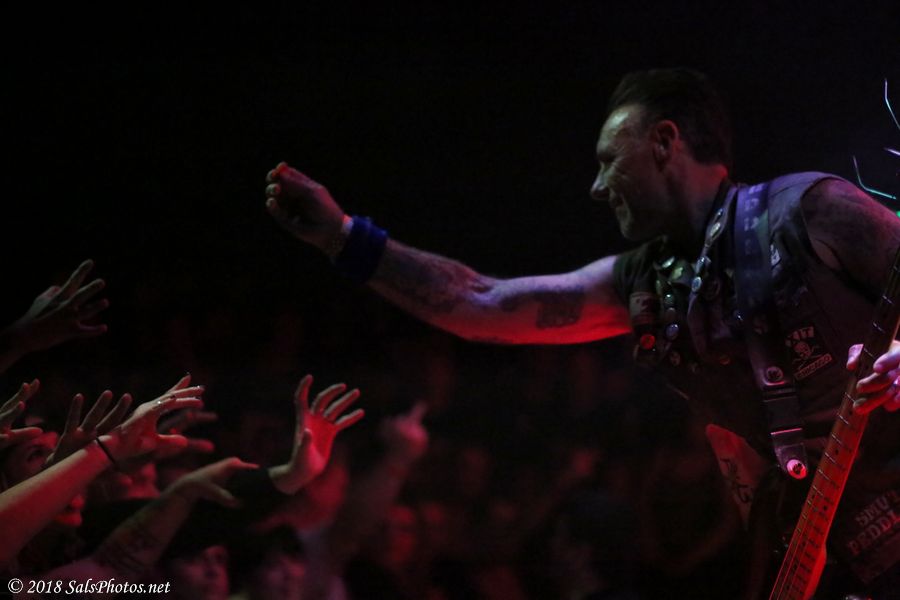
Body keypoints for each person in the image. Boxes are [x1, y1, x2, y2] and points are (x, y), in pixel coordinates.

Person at [264, 67, 900, 596]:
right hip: (834, 562)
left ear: (664, 141)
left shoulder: (813, 210)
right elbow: (482, 302)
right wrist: (343, 238)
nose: (596, 188)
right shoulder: (643, 283)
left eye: (607, 160)